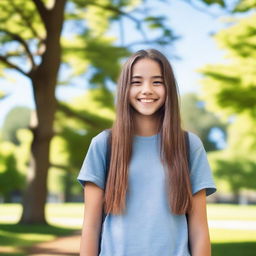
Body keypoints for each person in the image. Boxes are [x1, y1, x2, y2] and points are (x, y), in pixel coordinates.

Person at [77, 49, 216, 256]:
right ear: (125, 88)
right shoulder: (103, 145)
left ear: (168, 88)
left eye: (157, 82)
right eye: (137, 82)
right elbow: (91, 227)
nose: (147, 89)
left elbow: (199, 229)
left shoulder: (189, 145)